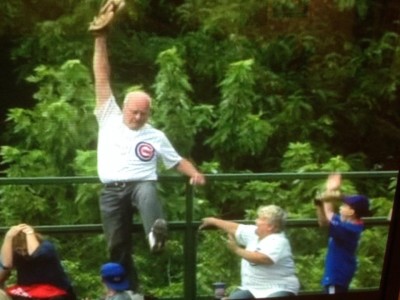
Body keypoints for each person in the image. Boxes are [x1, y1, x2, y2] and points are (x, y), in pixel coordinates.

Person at [88, 0, 206, 293]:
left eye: (143, 113)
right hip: (112, 189)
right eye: (134, 112)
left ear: (149, 113)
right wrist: (100, 39)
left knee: (148, 187)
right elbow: (102, 75)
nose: (138, 117)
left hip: (140, 184)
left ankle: (157, 235)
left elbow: (175, 160)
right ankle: (128, 290)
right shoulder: (109, 116)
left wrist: (194, 174)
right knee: (117, 243)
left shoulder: (154, 135)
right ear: (125, 108)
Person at [200, 205, 300, 299]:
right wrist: (213, 221)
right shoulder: (254, 233)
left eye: (260, 219)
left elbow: (263, 258)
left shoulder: (279, 241)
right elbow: (235, 228)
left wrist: (237, 249)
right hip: (251, 289)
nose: (256, 221)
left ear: (270, 226)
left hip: (279, 287)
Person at [314, 173, 370, 294]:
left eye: (345, 205)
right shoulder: (348, 223)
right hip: (339, 275)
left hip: (337, 276)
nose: (341, 207)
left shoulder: (348, 229)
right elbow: (328, 212)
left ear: (351, 212)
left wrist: (318, 204)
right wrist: (330, 189)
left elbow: (324, 222)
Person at [0, 224, 76, 300]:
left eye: (25, 250)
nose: (23, 253)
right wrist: (8, 237)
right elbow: (6, 264)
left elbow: (35, 255)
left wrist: (29, 233)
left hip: (56, 292)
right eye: (19, 250)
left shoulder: (46, 247)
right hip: (28, 292)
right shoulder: (17, 253)